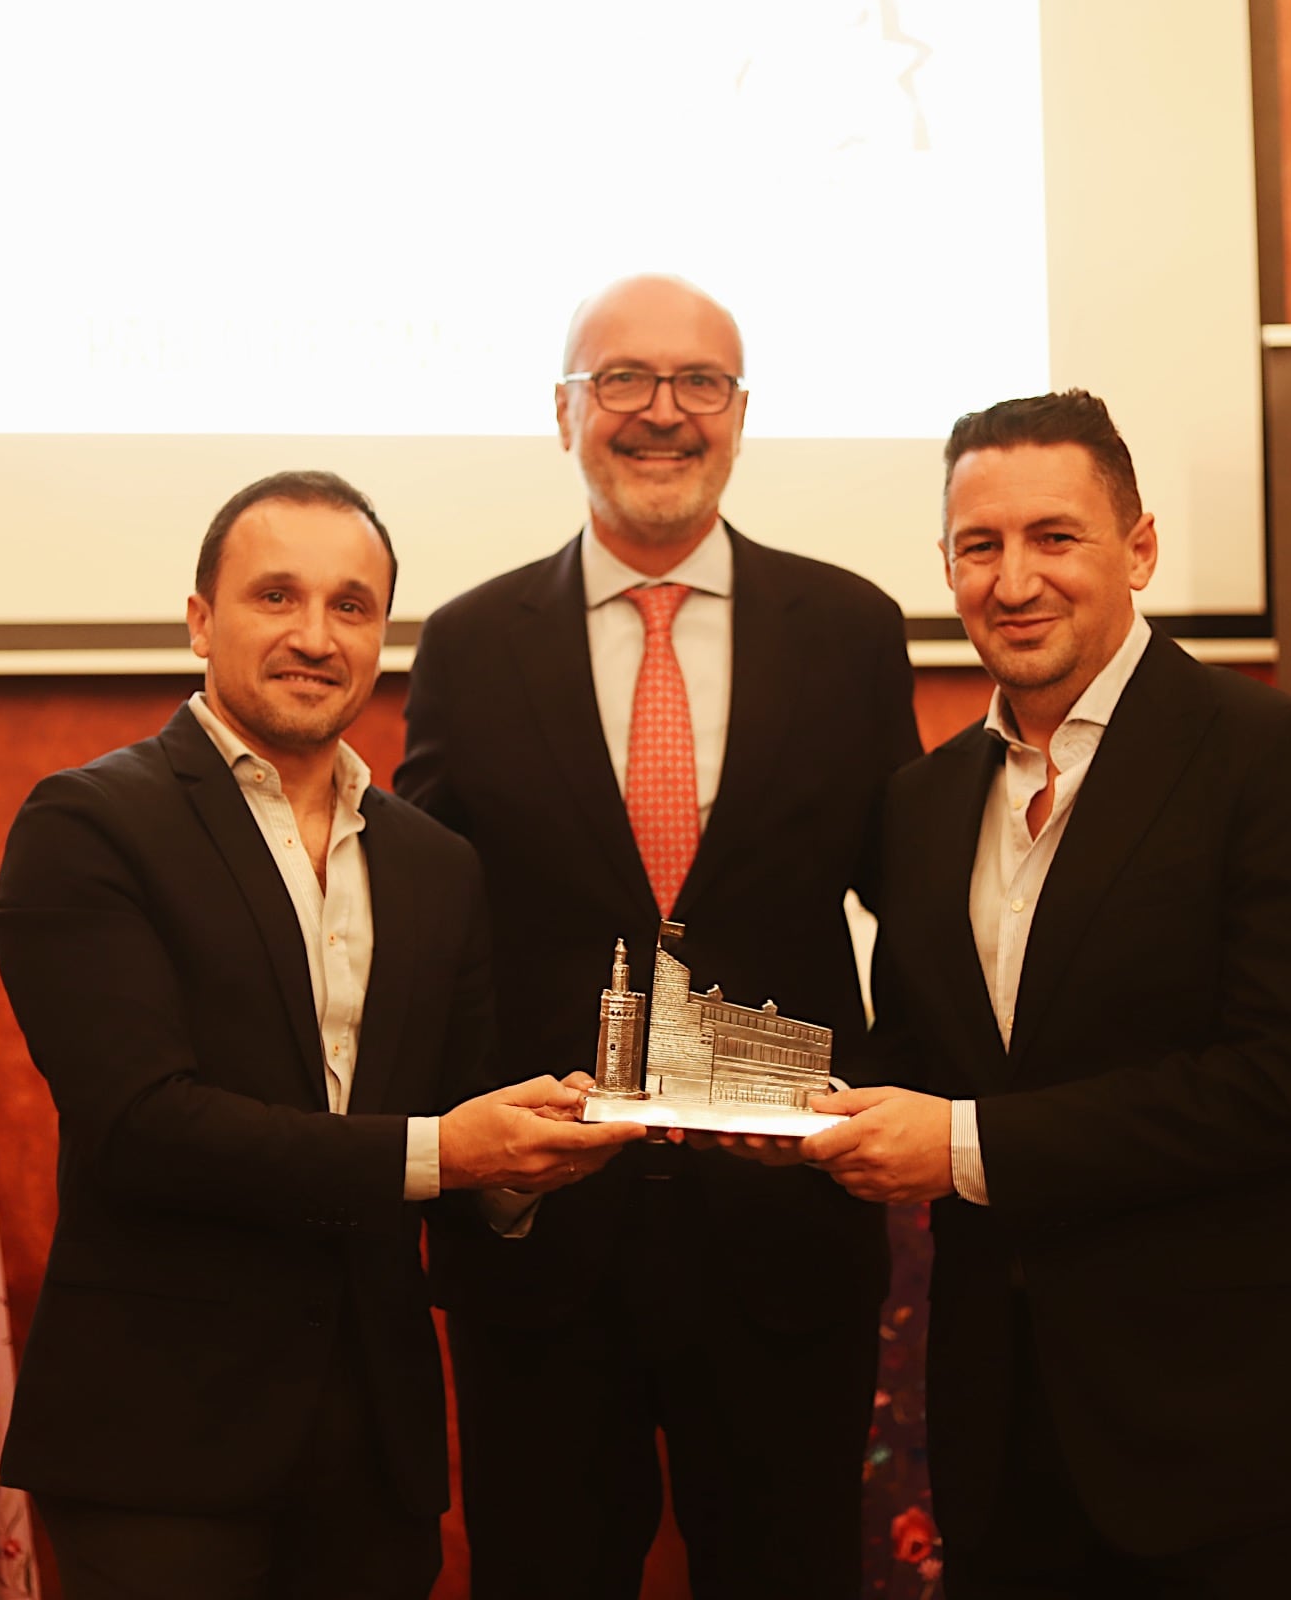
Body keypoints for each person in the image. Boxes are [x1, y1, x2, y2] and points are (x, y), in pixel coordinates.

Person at [0, 470, 645, 1600]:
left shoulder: (435, 863)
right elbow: (145, 1127)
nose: (315, 635)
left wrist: (527, 1163)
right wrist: (453, 1150)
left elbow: (459, 1112)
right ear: (201, 619)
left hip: (373, 1445)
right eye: (275, 596)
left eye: (352, 606)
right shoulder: (87, 824)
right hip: (161, 1437)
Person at [799, 391, 1291, 1598]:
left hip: (1239, 1450)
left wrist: (960, 1143)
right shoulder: (922, 806)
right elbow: (922, 1058)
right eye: (981, 546)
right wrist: (804, 1119)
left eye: (1055, 537)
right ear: (946, 566)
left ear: (1139, 547)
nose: (1014, 579)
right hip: (1004, 1442)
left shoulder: (1275, 754)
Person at [395, 275, 922, 1599]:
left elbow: (911, 909)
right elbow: (430, 936)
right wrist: (471, 1166)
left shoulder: (852, 630)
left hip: (787, 1241)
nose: (661, 414)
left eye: (700, 384)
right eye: (622, 380)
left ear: (740, 416)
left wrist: (904, 1116)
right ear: (563, 411)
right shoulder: (467, 643)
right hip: (545, 1250)